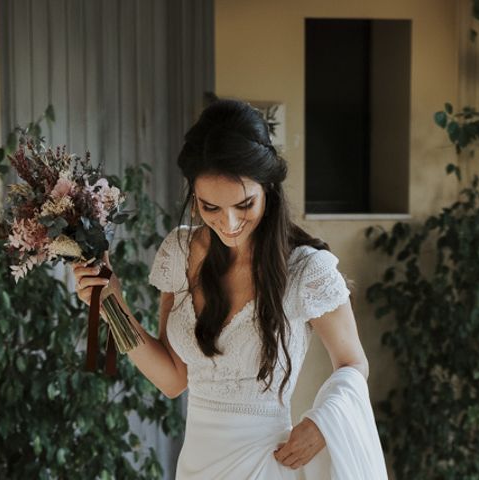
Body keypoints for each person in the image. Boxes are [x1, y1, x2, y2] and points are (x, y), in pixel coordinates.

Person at [71, 99, 386, 479]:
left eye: (244, 204)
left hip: (267, 464)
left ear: (268, 188)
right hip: (197, 466)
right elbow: (173, 380)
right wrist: (111, 305)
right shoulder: (180, 252)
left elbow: (353, 363)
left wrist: (322, 423)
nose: (229, 223)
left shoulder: (306, 269)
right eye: (210, 207)